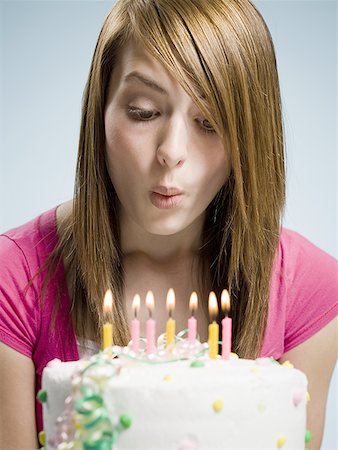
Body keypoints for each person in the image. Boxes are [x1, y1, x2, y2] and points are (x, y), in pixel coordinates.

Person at [0, 0, 336, 449]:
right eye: (143, 111)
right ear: (100, 110)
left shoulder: (308, 288)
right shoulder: (16, 276)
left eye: (209, 121)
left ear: (250, 134)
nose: (171, 151)